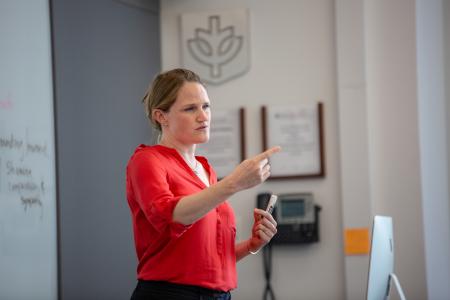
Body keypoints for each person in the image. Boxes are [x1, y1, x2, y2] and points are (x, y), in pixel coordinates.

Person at [126, 68, 281, 300]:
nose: (203, 116)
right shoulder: (147, 160)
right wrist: (234, 183)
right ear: (161, 116)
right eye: (190, 108)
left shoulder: (205, 169)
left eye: (206, 106)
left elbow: (209, 259)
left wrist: (251, 244)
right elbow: (171, 216)